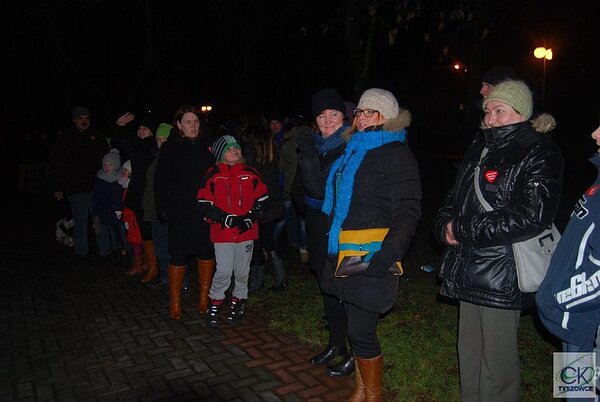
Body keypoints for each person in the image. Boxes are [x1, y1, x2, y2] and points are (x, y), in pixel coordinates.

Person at [433, 80, 564, 402]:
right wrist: (442, 227)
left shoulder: (540, 151)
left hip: (502, 273)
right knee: (469, 352)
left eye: (500, 111)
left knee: (496, 364)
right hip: (467, 265)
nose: (490, 119)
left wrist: (461, 228)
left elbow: (532, 216)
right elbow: (453, 199)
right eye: (488, 111)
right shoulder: (480, 147)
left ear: (522, 113)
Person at [321, 88, 421, 400]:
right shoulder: (351, 151)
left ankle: (373, 396)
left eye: (370, 112)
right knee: (354, 329)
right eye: (360, 112)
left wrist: (388, 253)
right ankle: (361, 388)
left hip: (373, 254)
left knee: (361, 331)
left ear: (387, 116)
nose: (362, 118)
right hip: (346, 252)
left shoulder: (396, 153)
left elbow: (409, 210)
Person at [536, 120, 600, 401]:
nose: (595, 133)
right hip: (574, 323)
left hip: (584, 322)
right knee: (573, 395)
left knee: (581, 396)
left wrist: (558, 297)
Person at [295, 88, 354, 377]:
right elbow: (299, 188)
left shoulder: (352, 145)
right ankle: (336, 343)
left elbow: (320, 189)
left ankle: (355, 351)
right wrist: (310, 212)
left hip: (344, 230)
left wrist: (319, 205)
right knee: (327, 289)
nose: (328, 120)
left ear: (344, 116)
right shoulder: (314, 146)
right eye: (321, 116)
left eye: (333, 113)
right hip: (318, 228)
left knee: (348, 292)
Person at [197, 135, 269, 328]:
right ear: (220, 154)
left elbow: (263, 200)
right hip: (222, 234)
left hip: (246, 233)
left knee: (242, 272)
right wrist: (224, 218)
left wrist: (251, 217)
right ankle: (215, 303)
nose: (234, 151)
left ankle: (238, 302)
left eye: (236, 147)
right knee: (223, 271)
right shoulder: (212, 175)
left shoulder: (251, 173)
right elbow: (204, 204)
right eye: (229, 149)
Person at [154, 105, 215, 320]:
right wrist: (161, 207)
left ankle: (203, 298)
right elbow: (161, 180)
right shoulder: (170, 147)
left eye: (196, 121)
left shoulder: (208, 145)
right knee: (178, 254)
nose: (193, 126)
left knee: (206, 252)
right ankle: (175, 300)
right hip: (179, 209)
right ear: (179, 125)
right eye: (188, 122)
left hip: (204, 209)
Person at [50, 105, 110, 262]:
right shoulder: (65, 137)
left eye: (87, 118)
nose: (84, 121)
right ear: (74, 120)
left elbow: (107, 159)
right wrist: (57, 186)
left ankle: (106, 251)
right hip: (75, 188)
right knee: (80, 221)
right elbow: (58, 162)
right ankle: (81, 251)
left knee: (99, 220)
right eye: (81, 118)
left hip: (96, 187)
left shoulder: (97, 136)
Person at [239, 114, 286, 292]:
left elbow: (250, 170)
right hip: (271, 196)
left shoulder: (250, 143)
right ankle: (279, 280)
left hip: (257, 198)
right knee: (266, 239)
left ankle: (257, 281)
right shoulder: (270, 142)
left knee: (258, 240)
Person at [140, 123, 172, 287]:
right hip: (153, 209)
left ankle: (178, 278)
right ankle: (165, 276)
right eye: (159, 139)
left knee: (170, 247)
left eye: (165, 139)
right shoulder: (154, 157)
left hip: (167, 211)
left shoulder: (173, 159)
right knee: (160, 247)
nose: (161, 142)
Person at [92, 148, 125, 268]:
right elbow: (96, 198)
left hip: (119, 212)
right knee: (112, 235)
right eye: (105, 164)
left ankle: (126, 255)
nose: (107, 167)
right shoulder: (99, 179)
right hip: (105, 213)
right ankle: (116, 257)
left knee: (122, 235)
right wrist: (96, 214)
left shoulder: (121, 179)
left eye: (110, 164)